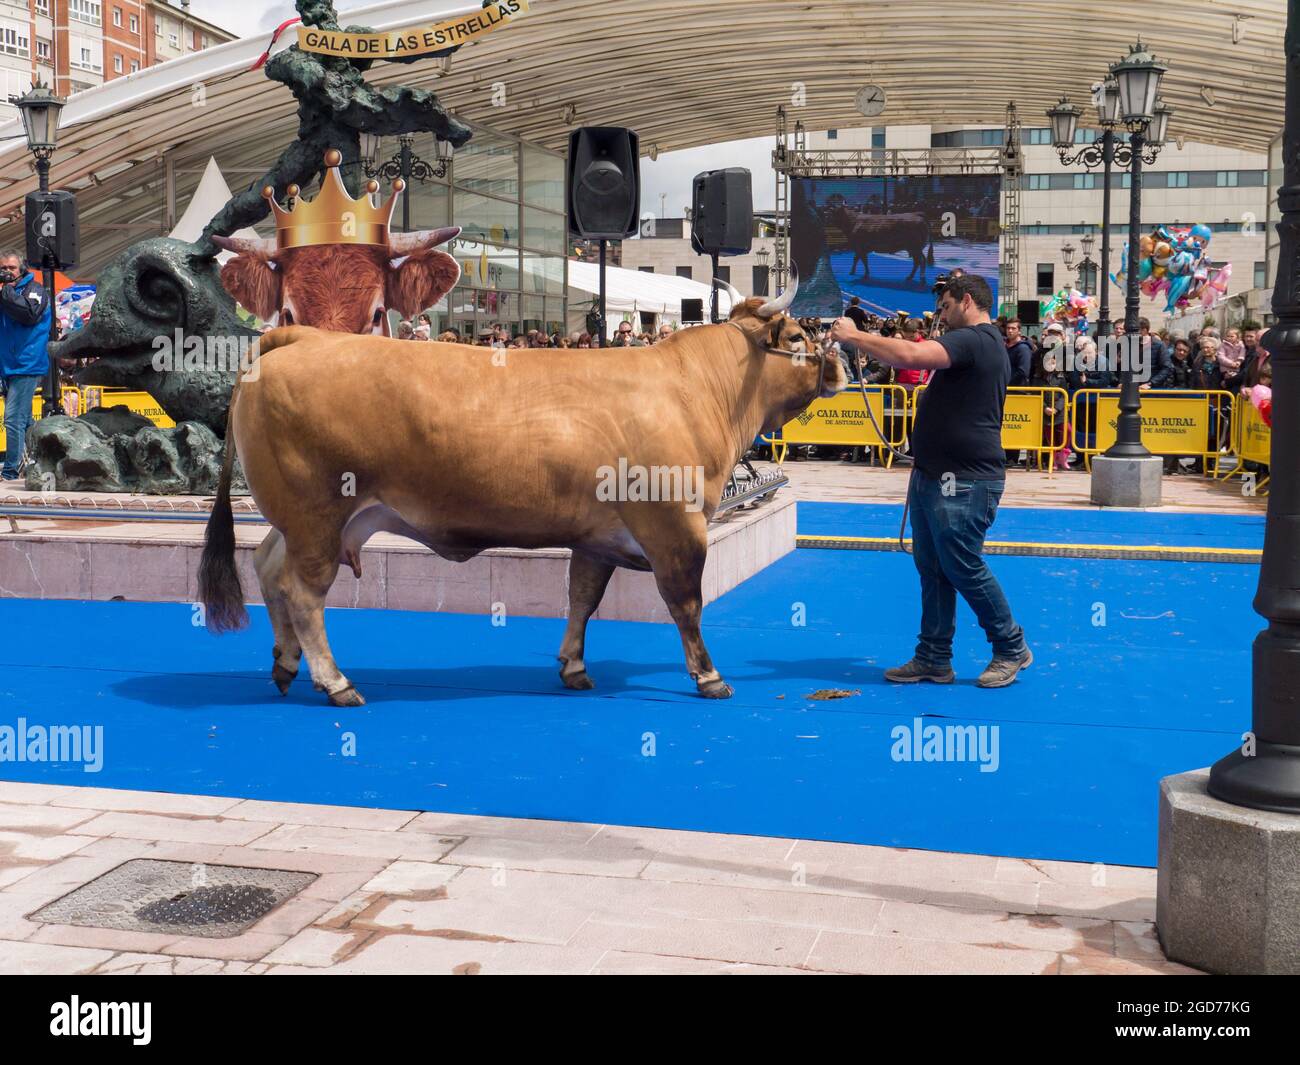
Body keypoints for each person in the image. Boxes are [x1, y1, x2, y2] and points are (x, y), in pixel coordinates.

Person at [831, 273, 1032, 688]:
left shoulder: (975, 339)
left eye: (944, 305)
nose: (939, 314)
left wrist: (856, 336)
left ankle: (1010, 646)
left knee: (962, 565)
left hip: (964, 478)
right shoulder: (982, 343)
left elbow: (908, 354)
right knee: (935, 568)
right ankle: (933, 657)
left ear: (965, 300)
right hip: (938, 475)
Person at [0, 250, 52, 482]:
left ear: (21, 268)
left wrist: (7, 290)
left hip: (27, 364)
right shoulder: (6, 293)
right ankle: (38, 459)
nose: (7, 272)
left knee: (12, 418)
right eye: (3, 268)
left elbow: (29, 314)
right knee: (26, 419)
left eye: (11, 267)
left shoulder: (36, 291)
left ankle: (11, 470)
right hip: (9, 365)